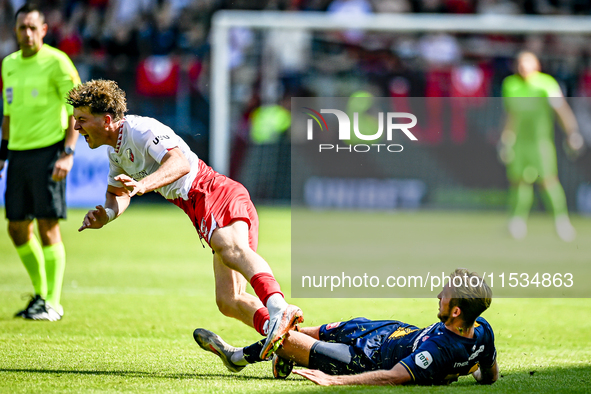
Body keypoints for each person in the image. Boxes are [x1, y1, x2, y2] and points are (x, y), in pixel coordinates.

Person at [66, 79, 303, 359]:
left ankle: (278, 307)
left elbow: (178, 164)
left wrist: (144, 185)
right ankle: (291, 344)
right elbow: (117, 194)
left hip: (212, 191)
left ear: (106, 120)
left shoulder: (141, 130)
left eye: (82, 120)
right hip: (200, 204)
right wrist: (105, 215)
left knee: (231, 249)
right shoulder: (115, 151)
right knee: (229, 300)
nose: (76, 127)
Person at [194, 268, 498, 386]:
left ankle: (235, 357)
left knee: (284, 338)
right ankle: (283, 357)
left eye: (444, 296)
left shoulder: (436, 351)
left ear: (456, 311)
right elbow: (489, 375)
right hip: (385, 331)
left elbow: (392, 377)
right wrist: (466, 365)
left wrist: (334, 382)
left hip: (361, 359)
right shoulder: (482, 330)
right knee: (299, 327)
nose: (438, 296)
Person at [1, 3, 80, 321]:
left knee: (47, 227)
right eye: (23, 28)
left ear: (44, 30)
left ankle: (52, 302)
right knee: (17, 228)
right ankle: (41, 295)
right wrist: (3, 151)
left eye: (34, 28)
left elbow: (79, 110)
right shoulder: (8, 64)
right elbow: (8, 113)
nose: (28, 33)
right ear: (15, 30)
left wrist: (68, 153)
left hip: (49, 152)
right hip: (18, 154)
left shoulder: (58, 63)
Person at [500, 51, 584, 242]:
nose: (523, 66)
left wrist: (572, 132)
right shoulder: (510, 85)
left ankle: (561, 222)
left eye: (528, 62)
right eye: (520, 62)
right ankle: (516, 222)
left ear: (536, 65)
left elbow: (561, 110)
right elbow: (510, 114)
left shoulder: (546, 84)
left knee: (548, 181)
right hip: (519, 143)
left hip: (541, 143)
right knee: (519, 182)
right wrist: (505, 139)